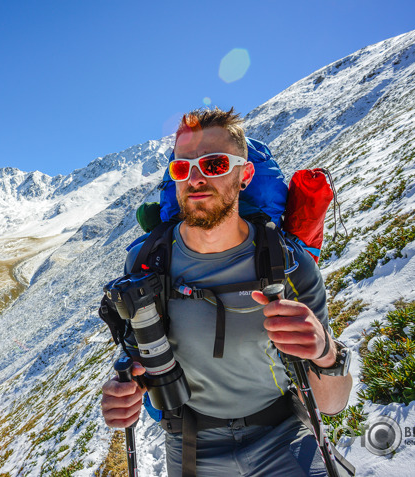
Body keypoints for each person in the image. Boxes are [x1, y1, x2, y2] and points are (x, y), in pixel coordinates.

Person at [100, 107, 353, 476]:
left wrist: (325, 351)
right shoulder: (147, 262)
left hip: (282, 434)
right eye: (182, 168)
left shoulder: (289, 264)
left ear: (245, 175)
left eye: (215, 165)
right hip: (189, 441)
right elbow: (140, 358)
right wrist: (124, 390)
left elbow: (332, 403)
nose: (196, 178)